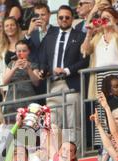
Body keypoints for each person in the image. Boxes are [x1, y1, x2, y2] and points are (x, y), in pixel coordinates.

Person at [38, 5, 89, 149]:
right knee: (52, 122)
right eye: (61, 17)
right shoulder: (50, 37)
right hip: (53, 85)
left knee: (72, 122)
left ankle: (76, 154)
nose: (64, 20)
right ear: (57, 19)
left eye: (67, 17)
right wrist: (43, 70)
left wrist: (67, 70)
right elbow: (43, 59)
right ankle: (55, 156)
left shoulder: (80, 36)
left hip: (71, 84)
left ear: (72, 19)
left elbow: (85, 60)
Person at [80, 6, 118, 101]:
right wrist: (89, 34)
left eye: (108, 17)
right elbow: (85, 51)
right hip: (100, 76)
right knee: (102, 106)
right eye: (103, 18)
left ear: (116, 19)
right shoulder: (97, 37)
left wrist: (114, 26)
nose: (105, 19)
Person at [2, 40, 40, 111]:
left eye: (24, 51)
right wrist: (14, 68)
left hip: (28, 99)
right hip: (12, 100)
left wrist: (28, 69)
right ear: (16, 52)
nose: (21, 53)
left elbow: (36, 82)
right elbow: (4, 82)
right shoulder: (11, 64)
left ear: (29, 52)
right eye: (19, 51)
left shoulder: (33, 65)